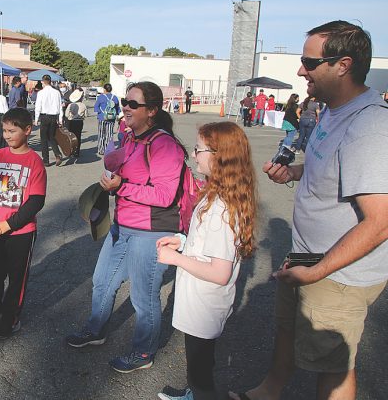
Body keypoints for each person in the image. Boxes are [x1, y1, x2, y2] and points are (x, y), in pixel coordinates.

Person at [230, 20, 388, 400]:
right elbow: (337, 172)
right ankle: (270, 390)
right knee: (288, 329)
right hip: (306, 257)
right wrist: (295, 173)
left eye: (309, 61)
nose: (301, 70)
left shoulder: (369, 127)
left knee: (333, 366)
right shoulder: (332, 109)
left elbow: (381, 222)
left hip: (337, 273)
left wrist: (316, 271)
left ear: (343, 65)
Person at [66, 81, 187, 374]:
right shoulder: (130, 138)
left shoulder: (165, 146)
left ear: (152, 111)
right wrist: (115, 157)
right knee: (101, 281)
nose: (126, 107)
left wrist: (123, 187)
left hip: (153, 230)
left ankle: (143, 351)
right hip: (123, 225)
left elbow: (164, 196)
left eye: (133, 104)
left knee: (143, 296)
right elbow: (115, 166)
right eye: (124, 101)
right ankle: (96, 330)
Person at [156, 122, 257, 400]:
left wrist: (175, 259)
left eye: (198, 149)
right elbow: (208, 248)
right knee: (201, 364)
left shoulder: (222, 209)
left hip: (204, 304)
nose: (194, 155)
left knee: (200, 374)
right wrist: (183, 242)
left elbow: (220, 271)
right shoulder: (218, 195)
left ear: (218, 155)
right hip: (201, 303)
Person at [0, 107, 47, 339]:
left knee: (16, 278)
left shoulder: (35, 162)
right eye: (4, 130)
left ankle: (10, 317)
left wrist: (9, 225)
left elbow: (36, 201)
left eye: (12, 131)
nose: (7, 135)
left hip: (21, 232)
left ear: (27, 130)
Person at [34, 75, 63, 167]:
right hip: (54, 116)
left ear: (43, 82)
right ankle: (57, 154)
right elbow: (59, 106)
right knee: (52, 136)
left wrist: (36, 119)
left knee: (43, 138)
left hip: (44, 116)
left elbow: (38, 107)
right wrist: (60, 119)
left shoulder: (41, 93)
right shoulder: (57, 92)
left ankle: (46, 160)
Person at [94, 83, 121, 155]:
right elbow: (118, 108)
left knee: (101, 134)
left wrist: (100, 112)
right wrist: (118, 115)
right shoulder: (115, 97)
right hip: (111, 118)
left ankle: (101, 150)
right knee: (109, 134)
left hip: (102, 118)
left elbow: (96, 107)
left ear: (104, 89)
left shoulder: (101, 97)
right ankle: (109, 150)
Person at [65, 86, 87, 158]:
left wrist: (70, 117)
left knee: (71, 137)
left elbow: (66, 114)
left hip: (72, 121)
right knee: (78, 136)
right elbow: (86, 115)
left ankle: (71, 151)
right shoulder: (83, 105)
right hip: (79, 122)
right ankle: (77, 152)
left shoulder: (71, 105)